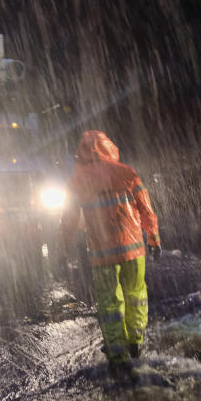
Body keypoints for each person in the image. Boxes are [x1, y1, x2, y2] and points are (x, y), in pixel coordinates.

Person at [61, 130, 161, 371]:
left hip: (102, 253)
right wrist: (154, 238)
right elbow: (146, 209)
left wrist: (63, 250)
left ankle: (117, 355)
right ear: (109, 147)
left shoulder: (78, 180)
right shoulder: (127, 173)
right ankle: (135, 343)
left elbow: (69, 219)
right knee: (136, 294)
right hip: (133, 249)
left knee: (109, 301)